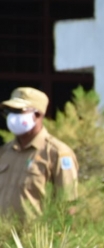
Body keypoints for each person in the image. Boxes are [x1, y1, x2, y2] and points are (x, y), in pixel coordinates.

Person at [0, 87, 78, 217]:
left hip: (33, 236)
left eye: (19, 111)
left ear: (37, 114)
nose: (12, 117)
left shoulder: (57, 153)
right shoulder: (5, 152)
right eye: (9, 111)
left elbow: (68, 205)